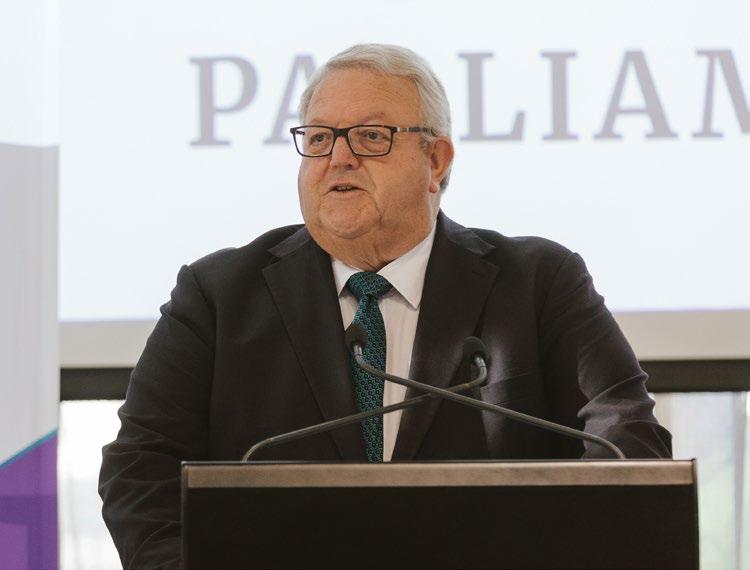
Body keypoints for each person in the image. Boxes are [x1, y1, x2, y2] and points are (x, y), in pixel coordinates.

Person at [99, 43, 672, 569]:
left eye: (370, 137)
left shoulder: (540, 283)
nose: (338, 158)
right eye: (319, 139)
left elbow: (626, 438)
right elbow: (141, 467)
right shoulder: (218, 295)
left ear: (436, 161)